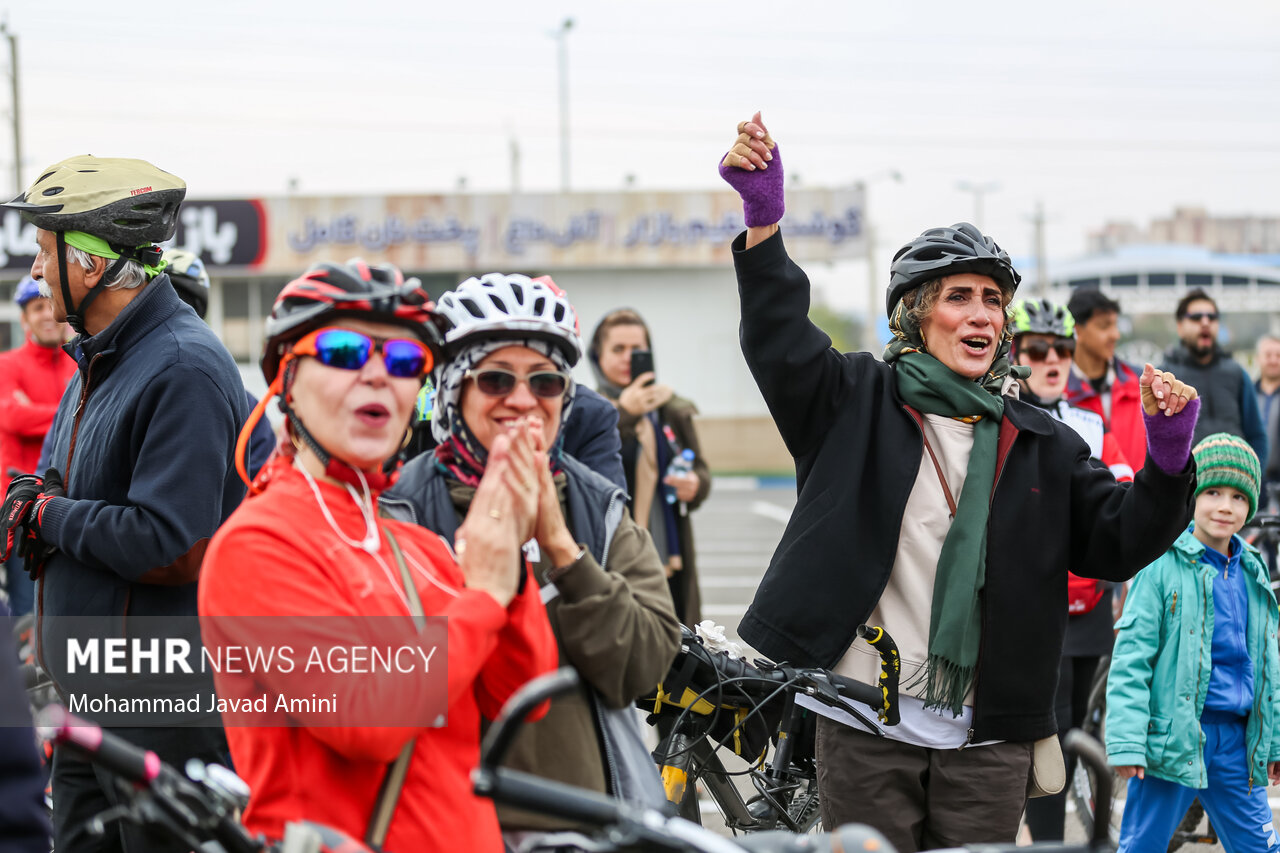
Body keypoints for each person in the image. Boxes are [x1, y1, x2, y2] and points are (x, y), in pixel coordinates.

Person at [719, 112, 1202, 853]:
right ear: (916, 315)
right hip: (862, 724)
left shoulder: (1043, 440)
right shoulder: (854, 400)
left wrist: (1170, 459)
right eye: (958, 296)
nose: (981, 314)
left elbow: (1118, 539)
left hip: (990, 738)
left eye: (991, 299)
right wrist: (764, 222)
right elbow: (779, 339)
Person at [199, 260, 557, 851]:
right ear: (286, 381)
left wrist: (507, 556)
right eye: (343, 351)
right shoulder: (255, 544)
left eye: (403, 362)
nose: (377, 375)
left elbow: (519, 692)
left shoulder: (413, 544)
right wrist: (483, 595)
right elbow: (366, 718)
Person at [0, 155, 249, 853]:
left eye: (45, 254)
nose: (38, 273)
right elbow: (53, 483)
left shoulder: (182, 366)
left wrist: (49, 517)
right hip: (87, 699)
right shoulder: (97, 360)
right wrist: (38, 501)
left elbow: (172, 543)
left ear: (89, 266)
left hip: (158, 705)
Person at [381, 273, 680, 839]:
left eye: (544, 382)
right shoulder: (398, 508)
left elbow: (641, 671)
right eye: (495, 378)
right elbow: (381, 687)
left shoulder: (600, 507)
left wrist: (565, 553)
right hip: (442, 825)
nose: (521, 400)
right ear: (452, 390)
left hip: (585, 825)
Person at [1106, 433, 1280, 853]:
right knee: (1142, 846)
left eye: (1239, 497)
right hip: (1172, 741)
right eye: (1213, 492)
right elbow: (1132, 659)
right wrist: (1128, 741)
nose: (1225, 506)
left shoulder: (1254, 572)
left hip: (1238, 747)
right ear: (1191, 496)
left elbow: (1268, 667)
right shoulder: (1159, 567)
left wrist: (1272, 741)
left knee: (1262, 848)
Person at [1008, 298, 1131, 842]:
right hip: (1037, 608)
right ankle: (1049, 842)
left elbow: (1123, 502)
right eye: (1038, 348)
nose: (1052, 358)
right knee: (1046, 739)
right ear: (1015, 353)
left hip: (1090, 606)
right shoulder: (1002, 416)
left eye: (1061, 348)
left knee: (1078, 732)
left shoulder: (1089, 421)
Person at [588, 307, 711, 626]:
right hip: (611, 554)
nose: (630, 357)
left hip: (668, 553)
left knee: (674, 645)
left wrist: (695, 484)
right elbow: (585, 471)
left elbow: (700, 468)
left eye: (638, 350)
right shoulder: (587, 412)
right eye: (618, 349)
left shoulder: (670, 408)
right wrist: (624, 414)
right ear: (597, 356)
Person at [162, 247, 276, 481]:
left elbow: (258, 485)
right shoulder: (113, 388)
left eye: (184, 307)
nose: (169, 322)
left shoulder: (245, 409)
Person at [0, 275, 74, 617]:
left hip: (69, 516)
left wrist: (37, 412)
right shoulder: (7, 366)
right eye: (36, 307)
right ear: (24, 318)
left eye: (49, 305)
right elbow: (13, 417)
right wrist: (70, 412)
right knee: (27, 626)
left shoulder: (79, 363)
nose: (46, 314)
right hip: (20, 520)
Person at [1160, 288, 1267, 463]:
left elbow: (1257, 435)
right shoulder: (1165, 377)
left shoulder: (1237, 373)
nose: (1205, 322)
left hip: (1236, 483)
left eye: (1212, 317)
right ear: (1180, 327)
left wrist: (1254, 479)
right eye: (1196, 317)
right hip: (1186, 486)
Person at [1066, 288, 1148, 471]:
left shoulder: (1141, 383)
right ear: (1077, 330)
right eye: (1104, 326)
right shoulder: (1057, 392)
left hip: (1139, 497)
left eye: (1115, 325)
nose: (1115, 335)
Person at [1254, 334, 1280, 509]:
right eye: (1268, 355)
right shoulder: (1248, 395)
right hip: (1253, 479)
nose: (1273, 360)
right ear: (1258, 359)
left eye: (1278, 355)